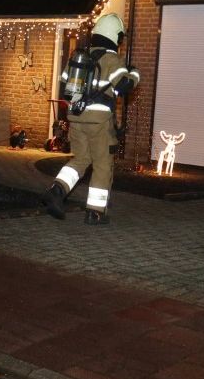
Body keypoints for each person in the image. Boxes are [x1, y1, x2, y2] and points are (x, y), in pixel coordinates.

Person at [41, 13, 141, 225]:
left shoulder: (79, 58)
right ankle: (95, 212)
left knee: (80, 159)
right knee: (103, 164)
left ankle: (57, 189)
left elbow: (65, 86)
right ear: (116, 37)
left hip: (76, 118)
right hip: (99, 123)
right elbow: (124, 86)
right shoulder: (112, 59)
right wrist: (134, 73)